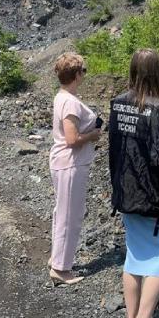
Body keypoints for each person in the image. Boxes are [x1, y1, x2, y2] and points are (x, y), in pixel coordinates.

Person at [109, 49, 159, 318]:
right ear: (158, 74)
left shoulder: (117, 104)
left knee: (136, 255)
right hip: (156, 197)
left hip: (126, 191)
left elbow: (114, 147)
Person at [48, 52, 102, 285]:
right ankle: (61, 269)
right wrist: (93, 135)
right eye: (84, 71)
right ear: (77, 74)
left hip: (65, 162)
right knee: (71, 215)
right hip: (70, 162)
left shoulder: (62, 95)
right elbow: (71, 138)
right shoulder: (69, 101)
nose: (85, 75)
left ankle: (57, 258)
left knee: (63, 212)